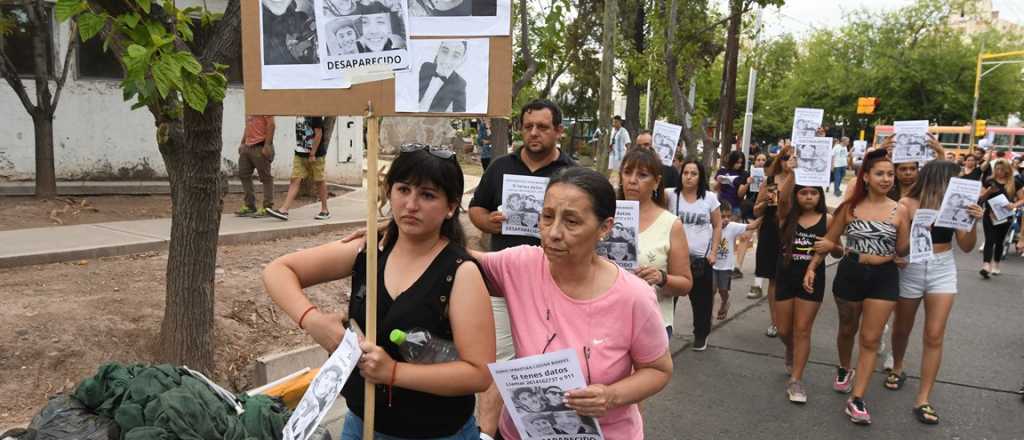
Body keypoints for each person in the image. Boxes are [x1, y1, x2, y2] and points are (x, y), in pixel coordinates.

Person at [262, 145, 496, 439]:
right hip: (362, 427)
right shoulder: (369, 250)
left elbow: (478, 374)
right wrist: (312, 320)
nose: (411, 204)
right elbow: (278, 271)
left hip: (437, 432)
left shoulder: (460, 272)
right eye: (403, 189)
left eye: (427, 195)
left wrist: (394, 372)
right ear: (389, 191)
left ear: (451, 207)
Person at [475, 167, 673, 440]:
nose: (554, 232)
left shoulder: (634, 297)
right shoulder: (520, 265)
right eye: (547, 217)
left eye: (571, 222)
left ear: (605, 227)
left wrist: (611, 396)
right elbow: (460, 263)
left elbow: (658, 369)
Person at [467, 99, 575, 439]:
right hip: (501, 281)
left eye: (542, 127)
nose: (533, 133)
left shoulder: (572, 174)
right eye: (527, 126)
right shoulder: (500, 166)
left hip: (553, 284)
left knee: (542, 362)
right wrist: (491, 223)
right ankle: (487, 433)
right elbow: (475, 211)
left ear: (559, 131)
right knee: (497, 360)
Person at [803, 148, 906, 425]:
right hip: (850, 273)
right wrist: (812, 268)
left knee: (870, 339)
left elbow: (904, 248)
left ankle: (857, 398)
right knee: (848, 328)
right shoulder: (850, 208)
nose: (886, 179)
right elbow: (829, 241)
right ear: (867, 177)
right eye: (880, 174)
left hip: (884, 277)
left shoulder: (901, 209)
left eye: (890, 174)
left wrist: (911, 246)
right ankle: (844, 367)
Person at [887, 160, 983, 425]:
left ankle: (923, 398)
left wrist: (972, 222)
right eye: (955, 178)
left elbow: (966, 246)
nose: (960, 183)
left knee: (934, 334)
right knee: (902, 328)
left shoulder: (958, 205)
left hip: (943, 268)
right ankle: (897, 366)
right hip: (912, 267)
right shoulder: (907, 203)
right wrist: (919, 232)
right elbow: (901, 247)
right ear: (941, 179)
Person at [774, 185, 841, 403]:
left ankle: (796, 379)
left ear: (820, 195)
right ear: (796, 195)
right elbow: (782, 198)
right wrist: (792, 172)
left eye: (814, 193)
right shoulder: (786, 216)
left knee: (802, 329)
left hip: (812, 280)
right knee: (784, 329)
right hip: (785, 277)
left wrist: (831, 244)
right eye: (803, 193)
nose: (809, 197)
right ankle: (792, 350)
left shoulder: (828, 219)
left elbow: (839, 251)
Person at [617, 147, 693, 337]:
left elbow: (685, 284)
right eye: (627, 172)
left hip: (652, 324)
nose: (632, 180)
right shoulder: (604, 216)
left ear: (656, 182)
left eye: (642, 175)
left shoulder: (670, 224)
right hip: (608, 322)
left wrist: (661, 277)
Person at [666, 159, 722, 351]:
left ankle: (701, 335)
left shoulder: (709, 199)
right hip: (673, 259)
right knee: (666, 299)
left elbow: (718, 225)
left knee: (702, 302)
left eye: (694, 173)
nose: (688, 177)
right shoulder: (670, 196)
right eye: (685, 172)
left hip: (700, 260)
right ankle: (661, 336)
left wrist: (714, 252)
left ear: (700, 177)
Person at [750, 148, 797, 338]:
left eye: (793, 158)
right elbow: (756, 210)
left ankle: (791, 320)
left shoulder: (801, 180)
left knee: (792, 275)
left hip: (793, 230)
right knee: (773, 277)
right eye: (786, 157)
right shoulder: (770, 181)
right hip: (771, 230)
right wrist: (765, 203)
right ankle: (775, 321)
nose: (789, 161)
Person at [267, 116, 330, 221]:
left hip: (316, 155)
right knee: (295, 179)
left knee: (319, 181)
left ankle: (325, 210)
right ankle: (284, 210)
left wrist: (312, 153)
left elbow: (318, 134)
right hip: (300, 153)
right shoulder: (298, 114)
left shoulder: (315, 114)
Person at [712, 202, 755, 320]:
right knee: (711, 290)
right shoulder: (709, 227)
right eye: (722, 216)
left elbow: (752, 226)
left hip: (725, 266)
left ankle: (725, 302)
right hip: (712, 265)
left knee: (723, 290)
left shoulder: (732, 227)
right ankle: (707, 316)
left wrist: (767, 211)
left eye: (728, 216)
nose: (726, 219)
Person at [980, 158, 1023, 278]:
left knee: (1000, 241)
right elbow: (981, 198)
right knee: (989, 239)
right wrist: (988, 192)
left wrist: (1014, 205)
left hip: (1005, 216)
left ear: (1007, 170)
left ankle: (996, 264)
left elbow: (1022, 199)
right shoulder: (989, 181)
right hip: (989, 214)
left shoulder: (1015, 182)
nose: (999, 171)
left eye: (1002, 169)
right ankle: (986, 265)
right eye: (997, 169)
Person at [236, 115, 276, 217]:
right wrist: (242, 143)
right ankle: (250, 206)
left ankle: (267, 207)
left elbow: (271, 125)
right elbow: (248, 126)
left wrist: (267, 145)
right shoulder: (249, 105)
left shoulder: (264, 104)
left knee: (265, 177)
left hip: (260, 145)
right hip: (247, 146)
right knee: (243, 174)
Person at [418, 41, 468, 112]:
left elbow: (460, 113)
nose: (447, 60)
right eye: (444, 51)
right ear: (438, 51)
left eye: (455, 56)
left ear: (461, 60)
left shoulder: (460, 84)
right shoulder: (425, 66)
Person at [711, 151, 749, 220]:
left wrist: (747, 184)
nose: (739, 165)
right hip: (721, 205)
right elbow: (715, 188)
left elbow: (740, 194)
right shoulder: (723, 171)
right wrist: (720, 180)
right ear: (732, 161)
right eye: (737, 162)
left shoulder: (744, 174)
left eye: (741, 163)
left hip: (735, 206)